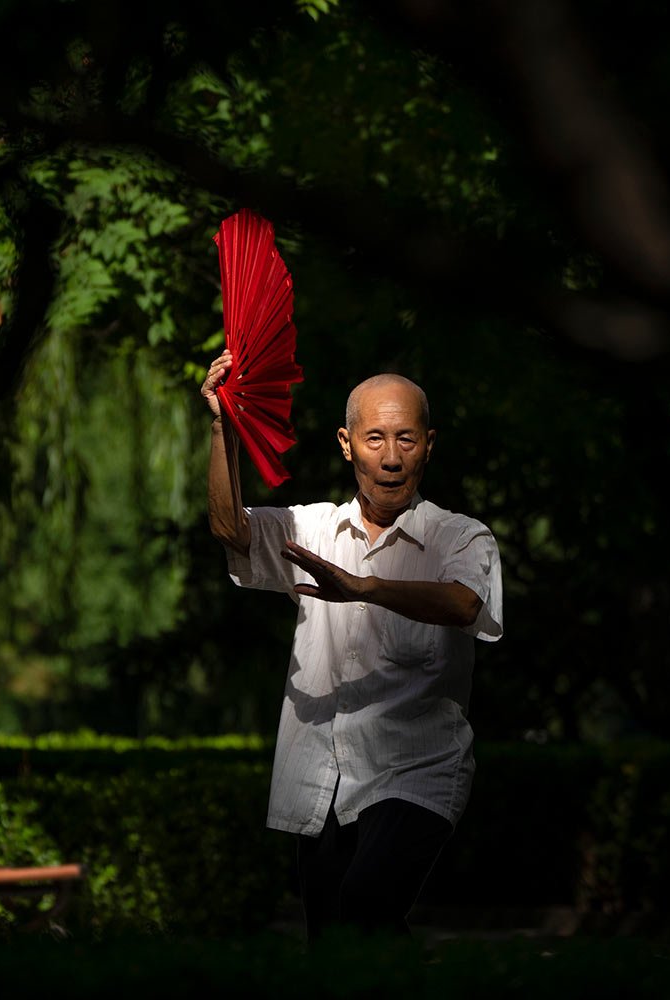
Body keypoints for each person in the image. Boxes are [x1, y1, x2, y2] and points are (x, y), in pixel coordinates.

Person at [202, 350, 503, 941]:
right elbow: (230, 530)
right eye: (374, 439)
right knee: (331, 940)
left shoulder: (460, 536)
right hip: (320, 776)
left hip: (416, 770)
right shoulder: (314, 529)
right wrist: (222, 424)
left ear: (428, 444)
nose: (391, 458)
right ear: (346, 444)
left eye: (406, 440)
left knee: (367, 902)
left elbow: (465, 603)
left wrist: (364, 587)